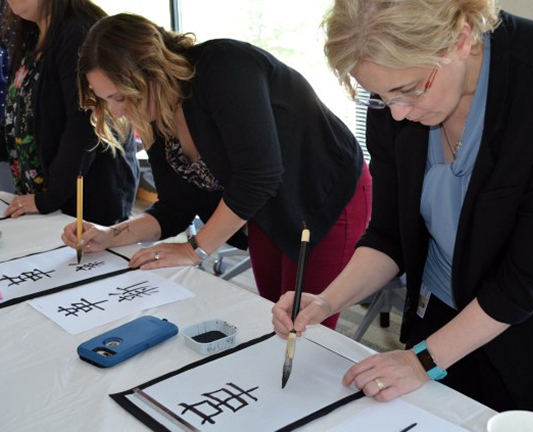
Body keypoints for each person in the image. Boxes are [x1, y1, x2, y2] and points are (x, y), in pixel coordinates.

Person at [272, 0, 533, 428]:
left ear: (462, 38)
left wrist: (423, 361)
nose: (396, 113)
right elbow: (389, 235)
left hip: (527, 327)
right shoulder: (392, 99)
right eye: (379, 96)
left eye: (410, 89)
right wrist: (326, 300)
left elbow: (529, 279)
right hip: (437, 312)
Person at [61, 13, 372, 329]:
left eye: (121, 96)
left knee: (303, 325)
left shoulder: (225, 67)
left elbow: (258, 175)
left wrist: (194, 249)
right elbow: (174, 208)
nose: (116, 111)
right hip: (263, 206)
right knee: (275, 316)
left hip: (324, 193)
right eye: (106, 100)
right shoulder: (154, 109)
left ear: (151, 71)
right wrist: (108, 235)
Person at [0, 0, 139, 224]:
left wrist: (49, 198)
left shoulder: (77, 32)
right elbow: (22, 118)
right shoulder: (31, 34)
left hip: (86, 203)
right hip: (45, 203)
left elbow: (85, 124)